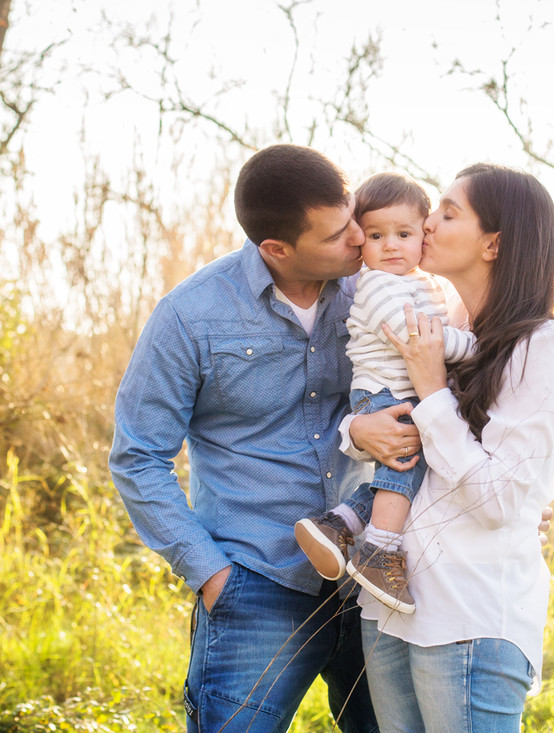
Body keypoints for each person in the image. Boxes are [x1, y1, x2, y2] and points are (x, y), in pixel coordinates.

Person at [108, 144, 422, 733]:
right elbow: (139, 455)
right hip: (256, 581)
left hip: (371, 576)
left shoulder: (375, 290)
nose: (359, 238)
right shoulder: (191, 316)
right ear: (276, 249)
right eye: (336, 234)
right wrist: (209, 573)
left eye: (354, 217)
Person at [347, 163, 554, 732]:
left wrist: (432, 387)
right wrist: (355, 433)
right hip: (389, 607)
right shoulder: (442, 323)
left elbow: (499, 502)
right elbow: (392, 433)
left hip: (469, 616)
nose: (425, 222)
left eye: (448, 213)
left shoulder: (544, 347)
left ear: (494, 243)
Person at [295, 172, 477, 614]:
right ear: (361, 240)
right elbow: (416, 337)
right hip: (384, 393)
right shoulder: (377, 285)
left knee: (402, 474)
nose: (391, 245)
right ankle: (379, 549)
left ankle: (340, 523)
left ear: (422, 236)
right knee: (406, 463)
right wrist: (475, 346)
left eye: (404, 234)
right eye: (377, 235)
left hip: (398, 391)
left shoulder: (426, 284)